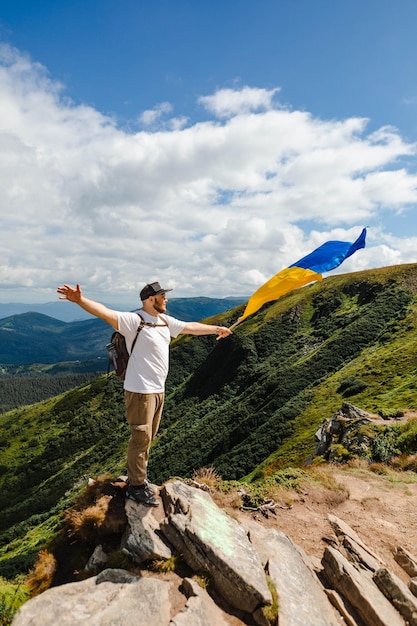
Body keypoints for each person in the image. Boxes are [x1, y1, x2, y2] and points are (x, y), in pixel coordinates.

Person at [57, 281, 232, 506]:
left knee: (148, 438)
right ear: (151, 299)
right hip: (140, 391)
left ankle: (138, 479)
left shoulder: (164, 322)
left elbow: (190, 327)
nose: (166, 299)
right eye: (162, 296)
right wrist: (80, 300)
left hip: (158, 390)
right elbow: (105, 313)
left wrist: (217, 329)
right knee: (140, 439)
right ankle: (137, 487)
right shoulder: (134, 321)